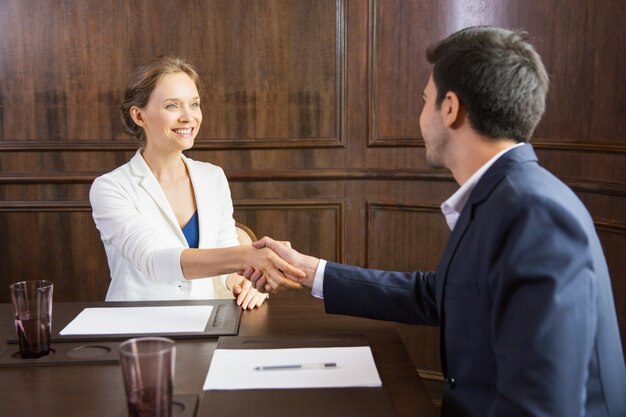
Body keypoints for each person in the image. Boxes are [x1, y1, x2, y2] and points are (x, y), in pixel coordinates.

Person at [247, 27, 626, 416]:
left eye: (424, 100)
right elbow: (441, 295)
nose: (420, 116)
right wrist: (311, 271)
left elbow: (543, 405)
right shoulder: (506, 195)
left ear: (450, 108)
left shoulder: (533, 213)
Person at [90, 55, 302, 309]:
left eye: (194, 104)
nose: (188, 117)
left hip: (205, 323)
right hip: (135, 331)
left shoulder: (212, 177)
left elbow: (225, 256)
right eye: (172, 106)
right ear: (139, 116)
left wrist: (249, 282)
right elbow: (154, 261)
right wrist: (248, 256)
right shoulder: (110, 188)